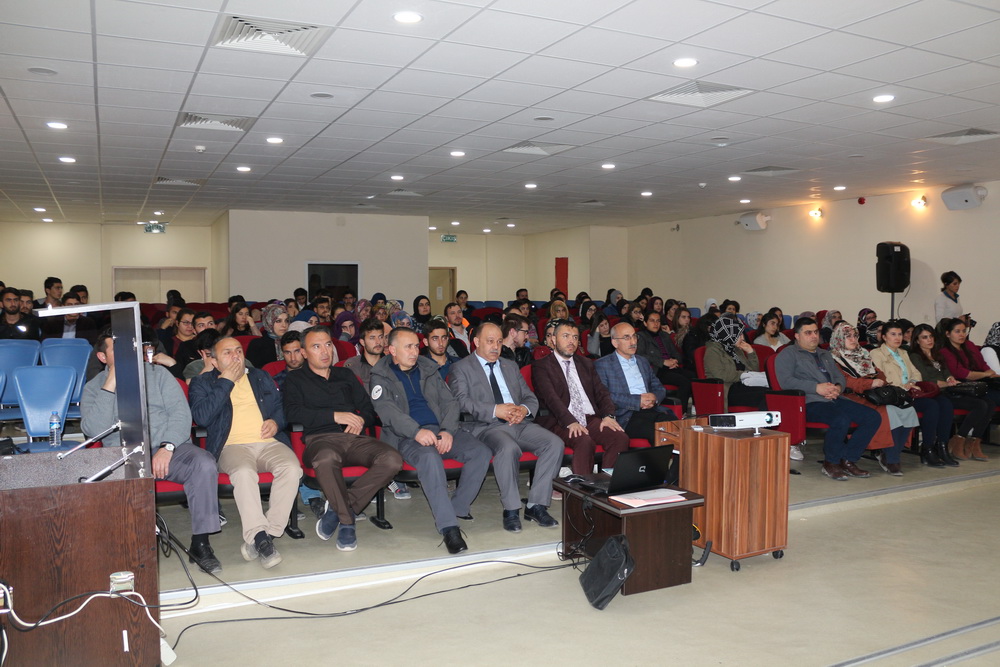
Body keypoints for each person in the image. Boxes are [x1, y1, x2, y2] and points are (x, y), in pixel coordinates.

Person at [82, 329, 222, 573]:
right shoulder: (94, 388)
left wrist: (168, 446)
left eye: (129, 347)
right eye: (117, 350)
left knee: (203, 463)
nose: (127, 354)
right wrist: (110, 383)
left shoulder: (158, 375)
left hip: (167, 448)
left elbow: (180, 414)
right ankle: (128, 547)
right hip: (123, 455)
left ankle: (201, 542)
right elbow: (93, 430)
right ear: (103, 357)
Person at [369, 328, 491, 554]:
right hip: (406, 436)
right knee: (430, 458)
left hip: (441, 430)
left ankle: (456, 507)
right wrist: (416, 431)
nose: (414, 352)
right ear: (392, 350)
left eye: (416, 346)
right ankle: (449, 527)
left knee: (481, 452)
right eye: (408, 347)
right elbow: (388, 412)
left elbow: (450, 403)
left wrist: (447, 430)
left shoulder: (428, 368)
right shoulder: (380, 375)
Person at [283, 326, 403, 551]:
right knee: (326, 458)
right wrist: (334, 416)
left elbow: (369, 410)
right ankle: (347, 522)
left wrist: (360, 419)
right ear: (304, 352)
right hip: (321, 440)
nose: (325, 351)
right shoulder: (295, 379)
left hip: (355, 439)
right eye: (316, 346)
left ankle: (338, 509)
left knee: (392, 459)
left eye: (328, 344)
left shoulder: (345, 375)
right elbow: (292, 413)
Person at [189, 337, 302, 569]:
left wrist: (276, 422)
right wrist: (226, 382)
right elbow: (202, 417)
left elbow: (281, 407)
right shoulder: (202, 383)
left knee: (292, 469)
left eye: (238, 351)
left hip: (268, 443)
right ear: (214, 361)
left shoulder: (260, 376)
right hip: (231, 446)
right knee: (243, 472)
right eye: (227, 352)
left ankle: (266, 535)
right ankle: (260, 538)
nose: (235, 356)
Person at [448, 322, 563, 533]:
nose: (495, 347)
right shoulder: (461, 368)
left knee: (554, 444)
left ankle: (536, 505)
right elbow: (460, 402)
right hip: (487, 426)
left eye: (499, 342)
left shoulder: (510, 366)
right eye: (490, 341)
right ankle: (511, 509)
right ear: (476, 342)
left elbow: (530, 397)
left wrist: (523, 410)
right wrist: (495, 410)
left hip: (519, 423)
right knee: (508, 448)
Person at [774, 318, 881, 480]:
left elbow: (840, 377)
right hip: (809, 401)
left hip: (834, 398)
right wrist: (816, 388)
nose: (814, 336)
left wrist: (837, 387)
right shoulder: (787, 354)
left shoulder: (824, 354)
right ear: (797, 336)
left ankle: (848, 459)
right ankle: (831, 462)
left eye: (815, 332)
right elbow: (786, 382)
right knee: (840, 419)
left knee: (872, 417)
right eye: (808, 333)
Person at [534, 321, 628, 475]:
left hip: (589, 418)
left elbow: (602, 392)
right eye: (566, 336)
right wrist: (571, 421)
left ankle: (606, 483)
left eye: (575, 337)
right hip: (560, 420)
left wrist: (608, 416)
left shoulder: (586, 363)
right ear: (554, 339)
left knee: (619, 438)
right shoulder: (542, 366)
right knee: (584, 441)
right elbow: (551, 399)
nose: (571, 341)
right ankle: (582, 488)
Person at [828, 321, 919, 475]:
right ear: (839, 338)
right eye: (848, 336)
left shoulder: (862, 353)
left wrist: (877, 380)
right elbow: (844, 381)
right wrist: (869, 383)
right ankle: (891, 458)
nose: (853, 339)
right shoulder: (833, 358)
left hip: (874, 394)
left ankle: (891, 452)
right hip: (852, 396)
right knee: (888, 412)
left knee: (907, 410)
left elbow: (879, 373)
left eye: (855, 336)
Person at [870, 320, 959, 467]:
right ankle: (927, 449)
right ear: (884, 337)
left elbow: (916, 373)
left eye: (900, 334)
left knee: (944, 403)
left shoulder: (903, 353)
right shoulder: (876, 353)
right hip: (894, 395)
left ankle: (939, 447)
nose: (897, 338)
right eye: (893, 334)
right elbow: (881, 378)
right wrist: (903, 386)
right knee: (931, 405)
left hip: (910, 392)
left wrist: (912, 383)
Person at [910, 323, 994, 462]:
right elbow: (925, 378)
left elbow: (947, 372)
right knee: (955, 405)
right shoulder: (915, 356)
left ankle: (954, 444)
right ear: (917, 341)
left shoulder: (936, 353)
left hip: (948, 391)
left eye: (931, 336)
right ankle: (944, 444)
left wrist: (950, 378)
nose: (929, 340)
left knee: (986, 403)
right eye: (925, 337)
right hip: (934, 392)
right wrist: (947, 383)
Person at [595, 322, 677, 447]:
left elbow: (659, 387)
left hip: (651, 410)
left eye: (634, 336)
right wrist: (637, 401)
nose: (633, 342)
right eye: (627, 337)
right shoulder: (603, 364)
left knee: (677, 427)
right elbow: (605, 396)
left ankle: (677, 460)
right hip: (626, 415)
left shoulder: (642, 361)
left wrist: (654, 398)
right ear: (615, 342)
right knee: (659, 433)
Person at [704, 314, 768, 410]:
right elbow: (720, 375)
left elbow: (754, 371)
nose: (742, 338)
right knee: (765, 395)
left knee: (771, 392)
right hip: (728, 389)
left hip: (744, 385)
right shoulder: (712, 351)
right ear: (728, 334)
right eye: (739, 335)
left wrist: (750, 352)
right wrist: (743, 375)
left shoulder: (735, 349)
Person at [636, 311, 694, 410]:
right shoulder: (641, 336)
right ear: (645, 323)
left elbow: (676, 354)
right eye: (652, 321)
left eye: (658, 321)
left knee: (693, 376)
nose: (656, 324)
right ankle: (680, 412)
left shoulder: (664, 335)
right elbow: (640, 355)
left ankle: (696, 407)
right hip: (657, 370)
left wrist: (674, 361)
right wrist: (663, 362)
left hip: (671, 367)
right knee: (684, 382)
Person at [344, 318, 385, 387]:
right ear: (362, 342)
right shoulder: (353, 365)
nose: (378, 342)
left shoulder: (392, 363)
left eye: (380, 337)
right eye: (372, 338)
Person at [247, 303, 290, 369]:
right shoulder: (257, 344)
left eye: (286, 321)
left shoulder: (291, 341)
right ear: (269, 322)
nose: (284, 325)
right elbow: (253, 371)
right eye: (278, 321)